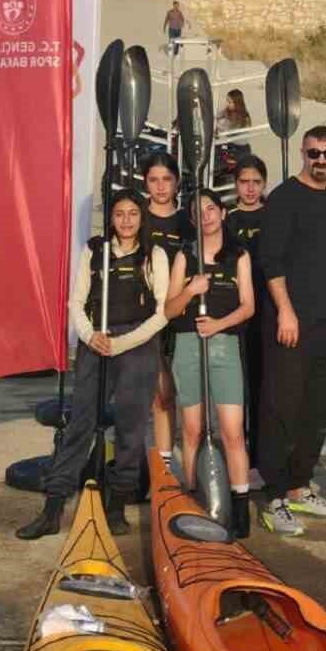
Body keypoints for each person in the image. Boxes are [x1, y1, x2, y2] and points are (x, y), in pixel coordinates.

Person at [17, 191, 170, 539]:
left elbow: (162, 313)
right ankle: (53, 508)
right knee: (80, 425)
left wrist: (121, 343)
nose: (126, 221)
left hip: (137, 345)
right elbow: (76, 301)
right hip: (96, 342)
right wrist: (89, 336)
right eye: (120, 214)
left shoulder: (155, 254)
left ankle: (116, 506)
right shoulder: (95, 250)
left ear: (142, 217)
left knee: (130, 428)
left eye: (133, 214)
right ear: (111, 218)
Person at [257, 124, 326, 535]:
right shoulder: (283, 197)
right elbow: (270, 261)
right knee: (282, 408)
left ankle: (298, 486)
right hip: (291, 324)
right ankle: (273, 497)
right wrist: (286, 312)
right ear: (303, 154)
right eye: (314, 153)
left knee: (317, 409)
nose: (321, 160)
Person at [165, 190, 255, 537]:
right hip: (189, 346)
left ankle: (240, 505)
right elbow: (169, 310)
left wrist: (218, 325)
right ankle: (193, 499)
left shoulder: (239, 255)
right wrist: (191, 290)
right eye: (198, 212)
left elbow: (248, 306)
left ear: (222, 213)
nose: (206, 216)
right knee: (191, 430)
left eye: (211, 209)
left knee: (232, 431)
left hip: (224, 346)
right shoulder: (185, 256)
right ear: (191, 219)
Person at [142, 150, 193, 460]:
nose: (160, 187)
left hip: (182, 315)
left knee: (181, 395)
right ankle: (159, 465)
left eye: (167, 179)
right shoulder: (136, 216)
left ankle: (180, 464)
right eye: (153, 180)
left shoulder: (188, 220)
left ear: (176, 182)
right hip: (145, 317)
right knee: (158, 394)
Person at [225, 155, 267, 477]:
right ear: (235, 184)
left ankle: (260, 457)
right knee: (236, 391)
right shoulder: (226, 219)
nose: (250, 189)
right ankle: (236, 454)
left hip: (266, 313)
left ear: (263, 184)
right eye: (244, 182)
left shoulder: (274, 216)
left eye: (256, 182)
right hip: (235, 314)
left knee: (262, 388)